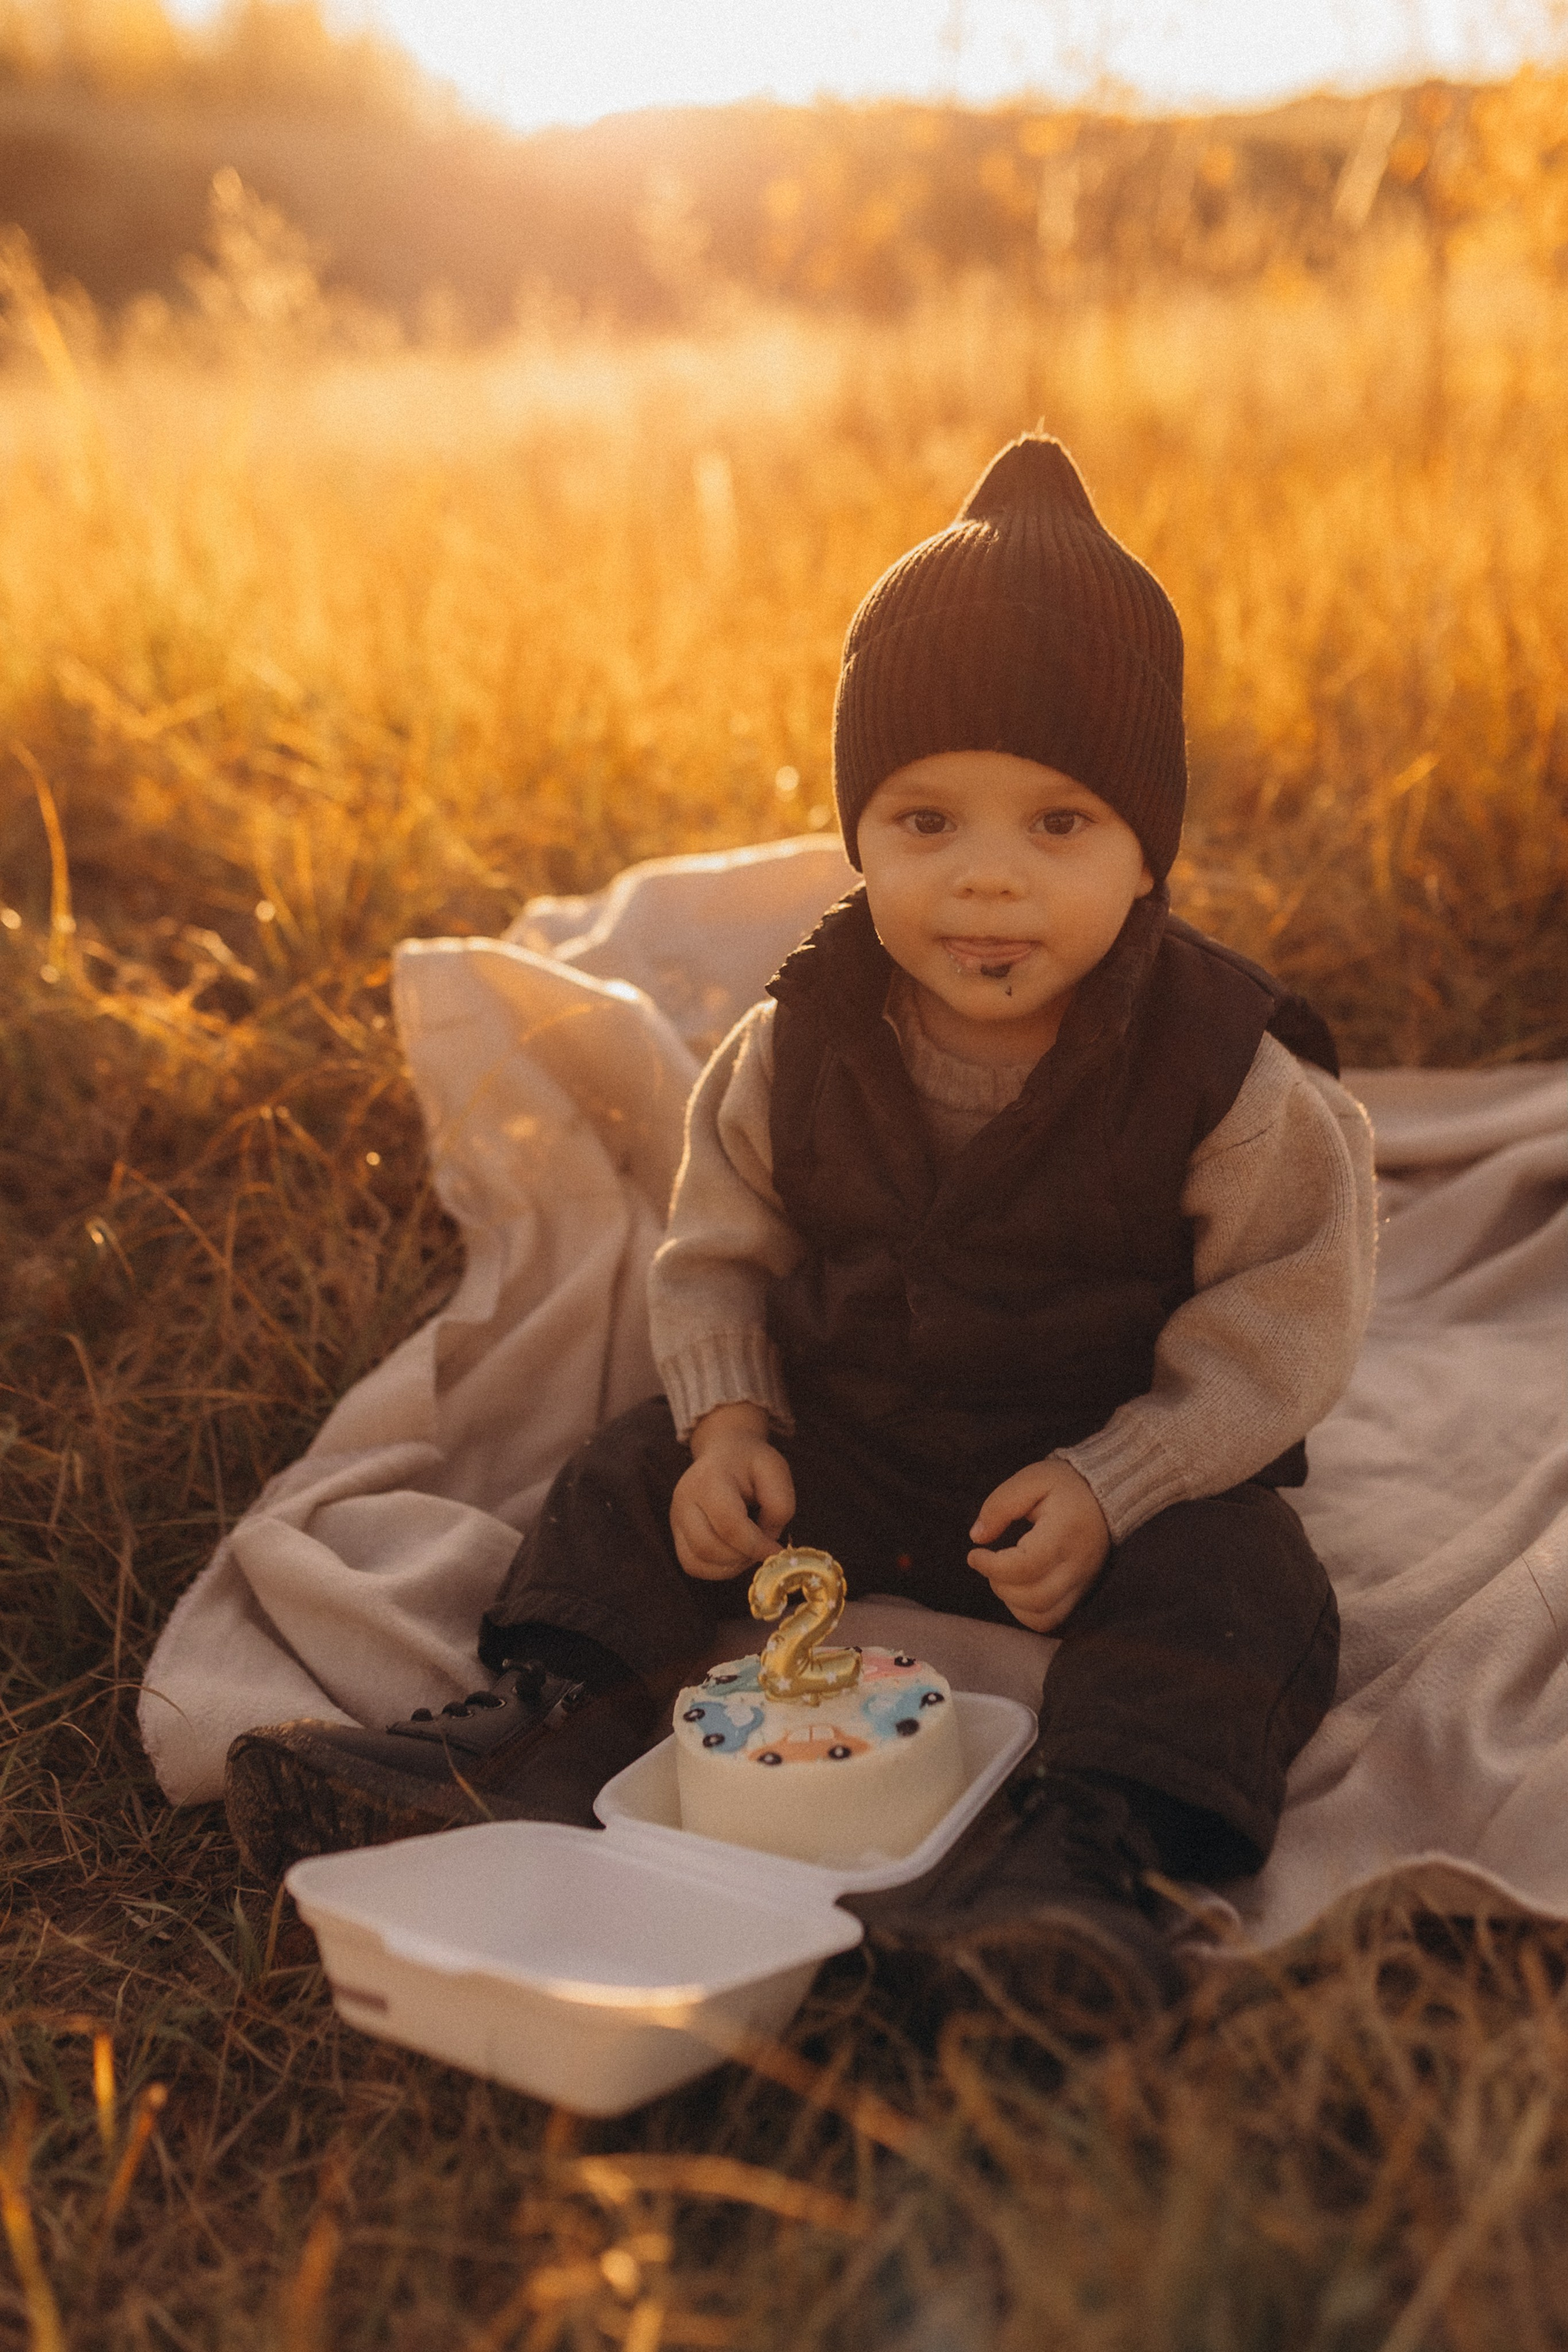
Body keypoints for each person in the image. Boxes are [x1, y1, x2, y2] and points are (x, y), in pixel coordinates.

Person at [226, 437, 1375, 2017]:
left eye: (1059, 826)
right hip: (855, 1446)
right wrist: (727, 1427)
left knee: (1249, 1586)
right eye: (926, 823)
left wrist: (1130, 1479)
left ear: (1146, 847)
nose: (987, 881)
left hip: (1094, 1472)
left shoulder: (1221, 1071)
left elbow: (1287, 1310)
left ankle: (1082, 1862)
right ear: (857, 831)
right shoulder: (802, 1034)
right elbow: (717, 1247)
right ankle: (539, 1733)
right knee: (621, 1473)